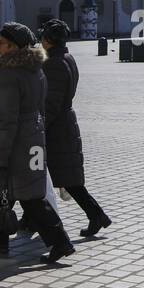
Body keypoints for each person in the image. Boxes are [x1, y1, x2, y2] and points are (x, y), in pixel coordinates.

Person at [0, 23, 75, 263]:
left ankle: (60, 242)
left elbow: (6, 119)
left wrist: (0, 154)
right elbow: (40, 108)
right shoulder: (36, 69)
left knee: (27, 196)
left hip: (16, 144)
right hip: (34, 137)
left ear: (13, 46)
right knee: (10, 191)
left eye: (1, 42)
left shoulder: (9, 75)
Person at [39, 19, 112, 238]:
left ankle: (96, 215)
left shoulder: (54, 63)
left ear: (49, 41)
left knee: (62, 179)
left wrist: (40, 125)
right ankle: (96, 215)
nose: (40, 40)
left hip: (58, 128)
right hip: (64, 123)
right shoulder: (66, 58)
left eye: (43, 37)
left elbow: (51, 102)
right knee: (57, 177)